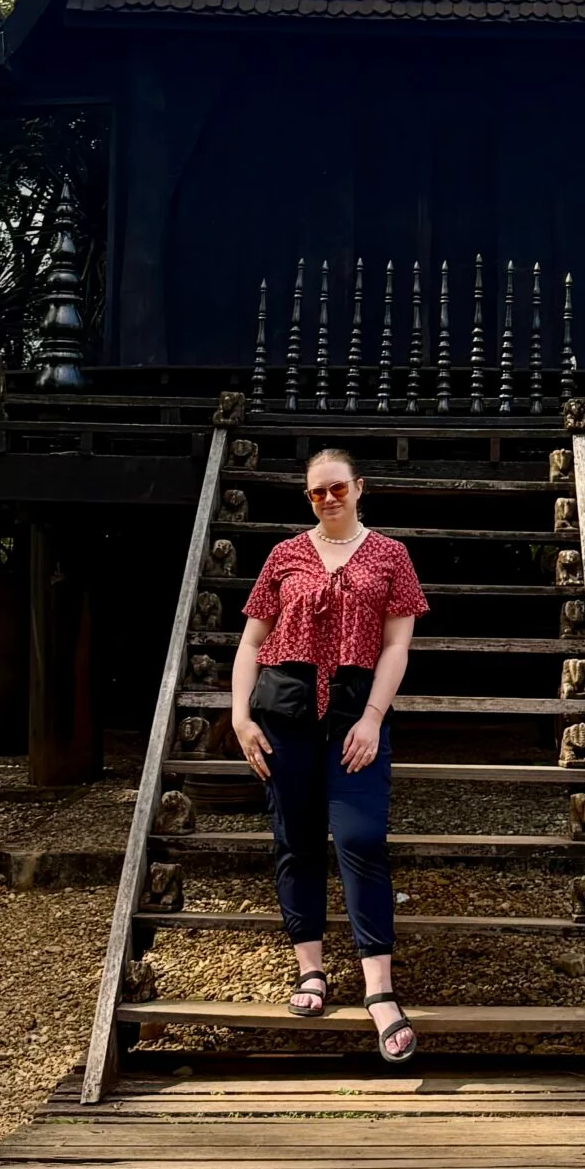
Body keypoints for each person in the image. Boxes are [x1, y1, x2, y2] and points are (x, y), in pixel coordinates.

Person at [231, 446, 428, 1064]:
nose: (328, 498)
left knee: (361, 838)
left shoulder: (391, 555)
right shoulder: (284, 555)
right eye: (317, 492)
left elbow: (397, 645)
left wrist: (372, 716)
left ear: (359, 487)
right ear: (308, 497)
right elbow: (251, 641)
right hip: (283, 714)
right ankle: (310, 969)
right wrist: (239, 718)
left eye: (337, 487)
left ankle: (379, 990)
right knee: (296, 840)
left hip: (353, 714)